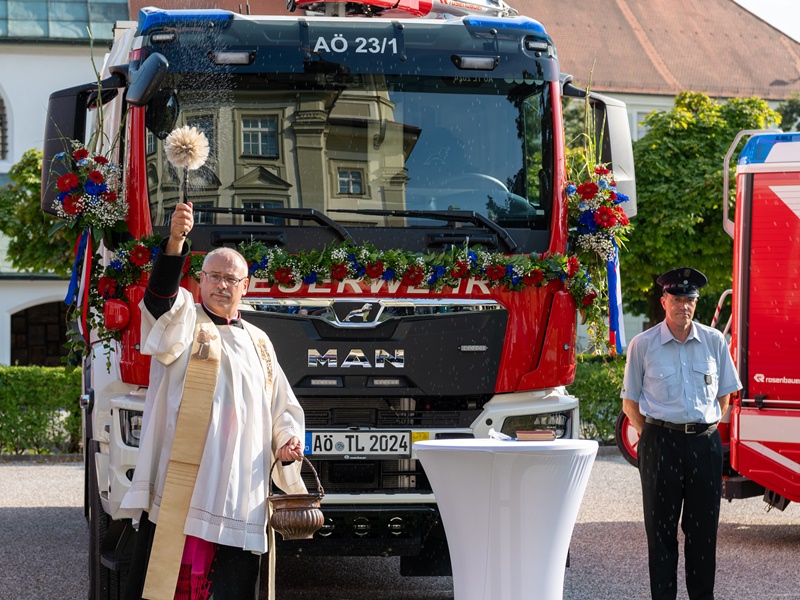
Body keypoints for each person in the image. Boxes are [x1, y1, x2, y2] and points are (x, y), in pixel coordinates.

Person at [120, 202, 306, 600]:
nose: (222, 285)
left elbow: (282, 406)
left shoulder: (259, 340)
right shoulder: (184, 322)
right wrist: (175, 241)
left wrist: (288, 441)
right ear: (200, 282)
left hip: (242, 483)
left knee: (232, 581)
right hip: (190, 479)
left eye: (231, 279)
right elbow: (158, 299)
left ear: (246, 285)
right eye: (213, 277)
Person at [621, 266, 742, 600]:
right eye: (676, 298)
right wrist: (653, 436)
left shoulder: (715, 341)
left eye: (689, 299)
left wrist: (704, 430)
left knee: (703, 533)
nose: (683, 305)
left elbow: (726, 395)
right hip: (661, 444)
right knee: (660, 533)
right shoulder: (643, 345)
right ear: (664, 301)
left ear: (696, 302)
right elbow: (630, 402)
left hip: (704, 445)